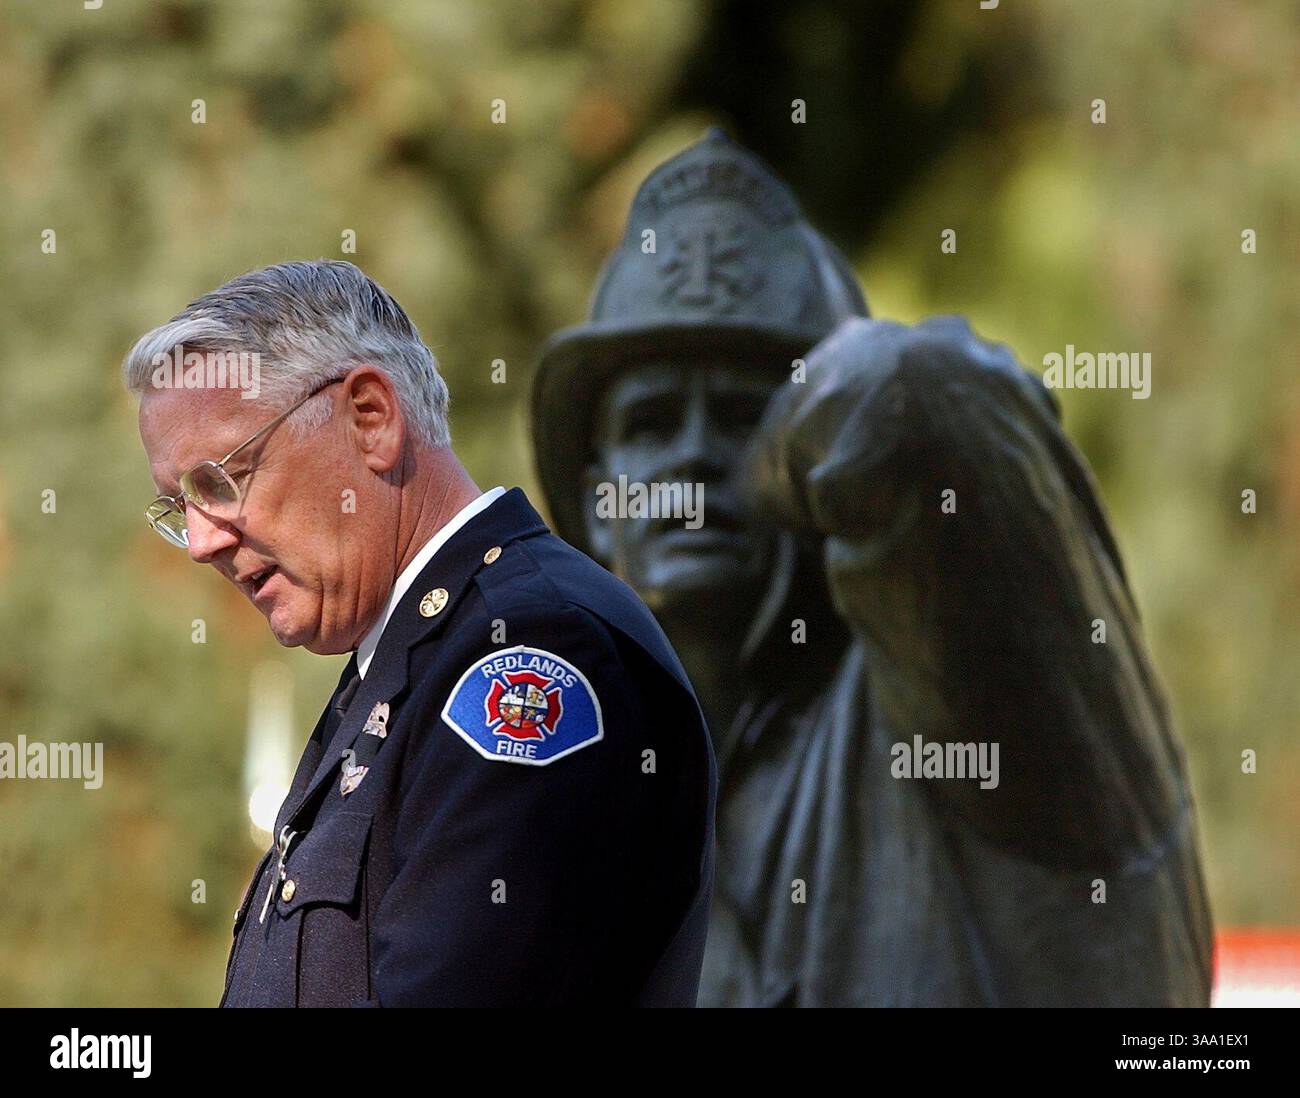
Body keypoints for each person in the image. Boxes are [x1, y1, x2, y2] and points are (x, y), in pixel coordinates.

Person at [532, 129, 1213, 1006]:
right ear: (594, 503)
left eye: (746, 417)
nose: (695, 457)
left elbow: (918, 397)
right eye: (653, 423)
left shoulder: (969, 714)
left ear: (810, 461)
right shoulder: (587, 816)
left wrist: (803, 434)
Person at [122, 260, 716, 1006]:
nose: (203, 540)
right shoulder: (408, 661)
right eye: (180, 506)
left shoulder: (529, 653)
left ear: (370, 416)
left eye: (219, 481)